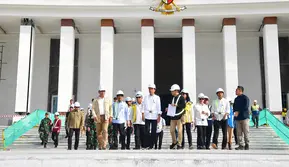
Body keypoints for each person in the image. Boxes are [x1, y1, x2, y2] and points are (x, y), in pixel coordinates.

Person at [92, 86, 112, 150]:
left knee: (105, 131)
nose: (102, 93)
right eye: (101, 91)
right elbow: (93, 109)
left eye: (103, 91)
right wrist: (94, 116)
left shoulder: (108, 99)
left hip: (105, 117)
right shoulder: (95, 100)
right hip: (98, 117)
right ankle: (100, 144)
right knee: (98, 132)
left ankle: (104, 145)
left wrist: (110, 116)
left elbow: (110, 108)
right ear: (99, 92)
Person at [143, 84, 162, 149]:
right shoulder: (146, 97)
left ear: (154, 90)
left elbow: (159, 107)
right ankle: (147, 144)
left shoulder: (157, 97)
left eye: (151, 89)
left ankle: (152, 145)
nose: (150, 90)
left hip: (154, 115)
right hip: (147, 115)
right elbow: (144, 106)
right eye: (149, 89)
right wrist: (143, 114)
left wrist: (159, 116)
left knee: (154, 131)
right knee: (147, 130)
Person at [168, 84, 186, 149]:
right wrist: (168, 109)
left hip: (179, 117)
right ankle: (174, 141)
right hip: (173, 117)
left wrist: (177, 105)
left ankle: (179, 144)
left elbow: (183, 106)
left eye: (172, 91)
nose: (171, 92)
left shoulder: (181, 97)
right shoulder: (172, 98)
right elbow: (172, 106)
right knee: (171, 130)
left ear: (176, 91)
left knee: (180, 131)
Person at [233, 86, 250, 150]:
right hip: (238, 118)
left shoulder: (245, 98)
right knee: (238, 132)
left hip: (244, 117)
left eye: (236, 90)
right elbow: (234, 107)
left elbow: (246, 106)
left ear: (240, 91)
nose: (235, 91)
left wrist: (238, 111)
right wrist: (235, 111)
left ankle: (247, 144)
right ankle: (241, 145)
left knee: (246, 131)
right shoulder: (236, 99)